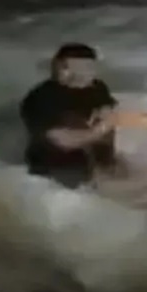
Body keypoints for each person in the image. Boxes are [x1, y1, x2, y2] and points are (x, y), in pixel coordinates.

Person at [20, 43, 120, 189]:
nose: (77, 74)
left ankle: (107, 168)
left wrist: (105, 119)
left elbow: (108, 111)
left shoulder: (97, 88)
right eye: (65, 67)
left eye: (87, 69)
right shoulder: (40, 98)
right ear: (56, 67)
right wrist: (99, 130)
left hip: (96, 165)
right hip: (55, 173)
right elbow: (62, 140)